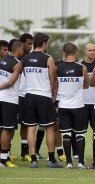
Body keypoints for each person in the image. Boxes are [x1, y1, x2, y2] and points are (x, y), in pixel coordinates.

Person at [22, 32, 62, 168]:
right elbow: (53, 80)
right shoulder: (48, 58)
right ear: (44, 43)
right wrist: (53, 95)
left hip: (29, 95)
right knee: (49, 127)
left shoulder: (25, 58)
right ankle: (51, 160)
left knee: (31, 128)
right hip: (44, 96)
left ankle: (33, 159)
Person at [56, 42, 89, 169]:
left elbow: (54, 83)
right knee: (80, 134)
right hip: (78, 105)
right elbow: (86, 84)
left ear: (64, 53)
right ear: (76, 53)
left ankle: (69, 162)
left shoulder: (57, 67)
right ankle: (81, 162)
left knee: (66, 134)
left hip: (63, 105)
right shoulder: (82, 68)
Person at [0, 40, 23, 167]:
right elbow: (10, 83)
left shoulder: (1, 60)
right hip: (9, 99)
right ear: (18, 49)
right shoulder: (17, 64)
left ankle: (2, 156)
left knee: (1, 128)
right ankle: (3, 160)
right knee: (7, 130)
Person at [18, 33, 33, 162]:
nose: (30, 46)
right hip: (14, 95)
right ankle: (5, 152)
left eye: (32, 44)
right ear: (21, 43)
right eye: (28, 43)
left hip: (26, 95)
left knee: (26, 124)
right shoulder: (15, 58)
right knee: (8, 126)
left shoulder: (30, 58)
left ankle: (24, 152)